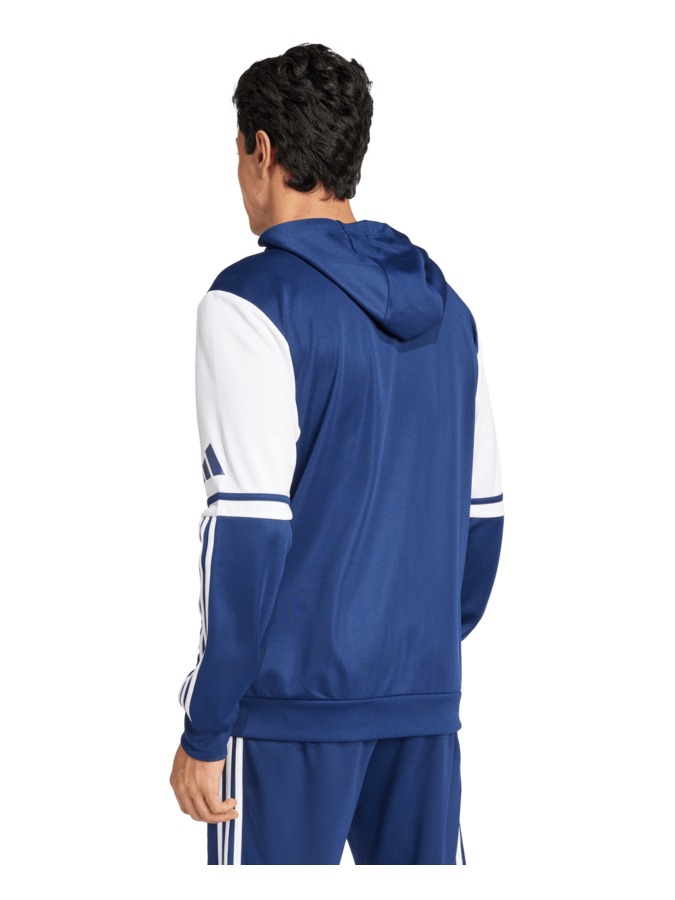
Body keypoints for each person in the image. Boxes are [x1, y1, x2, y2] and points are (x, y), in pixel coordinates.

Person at [169, 41, 504, 866]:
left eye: (237, 152)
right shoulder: (449, 312)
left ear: (261, 151)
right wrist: (407, 646)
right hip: (421, 704)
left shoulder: (248, 303)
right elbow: (481, 522)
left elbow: (247, 532)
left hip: (287, 713)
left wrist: (206, 724)